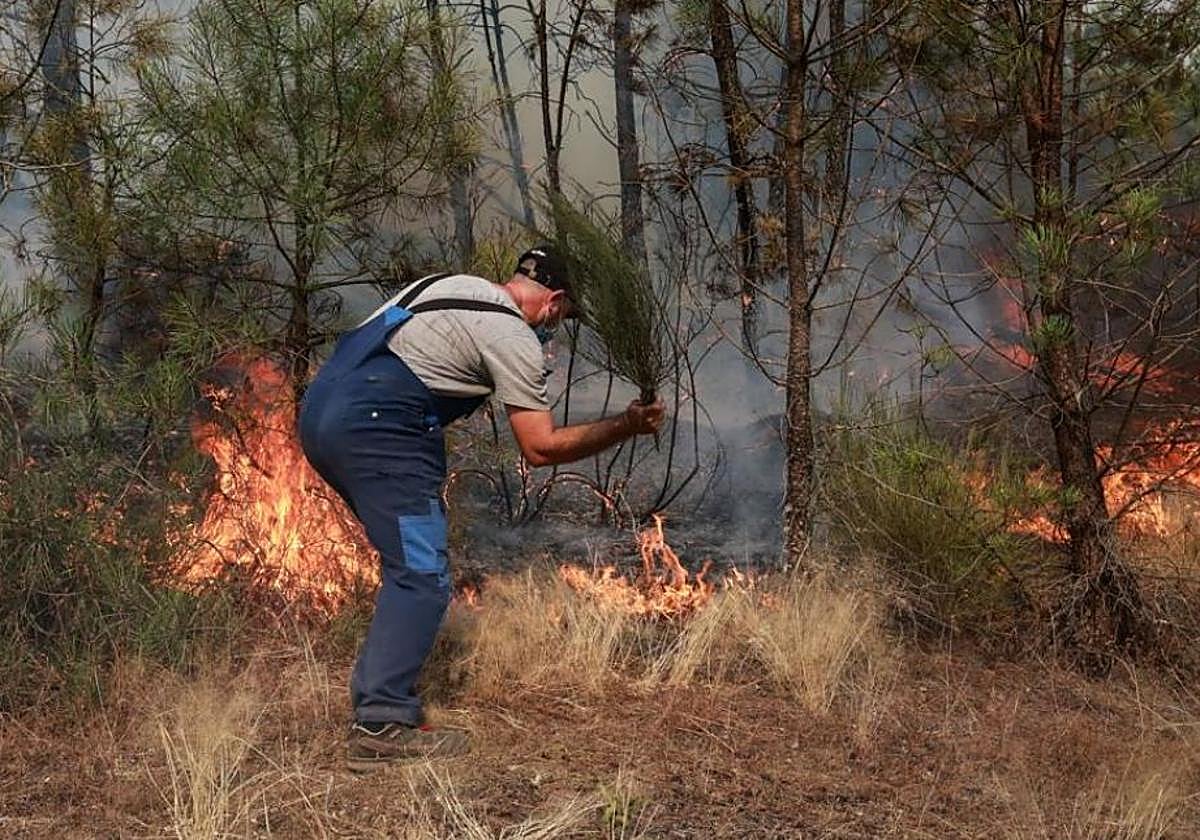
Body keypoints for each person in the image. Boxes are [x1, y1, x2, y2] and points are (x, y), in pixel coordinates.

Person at [298, 245, 665, 772]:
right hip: (381, 423)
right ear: (553, 300)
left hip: (320, 413)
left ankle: (379, 694)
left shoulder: (451, 284)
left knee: (406, 562)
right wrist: (625, 425)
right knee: (421, 572)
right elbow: (539, 449)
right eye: (562, 317)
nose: (556, 328)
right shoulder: (514, 335)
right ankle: (381, 723)